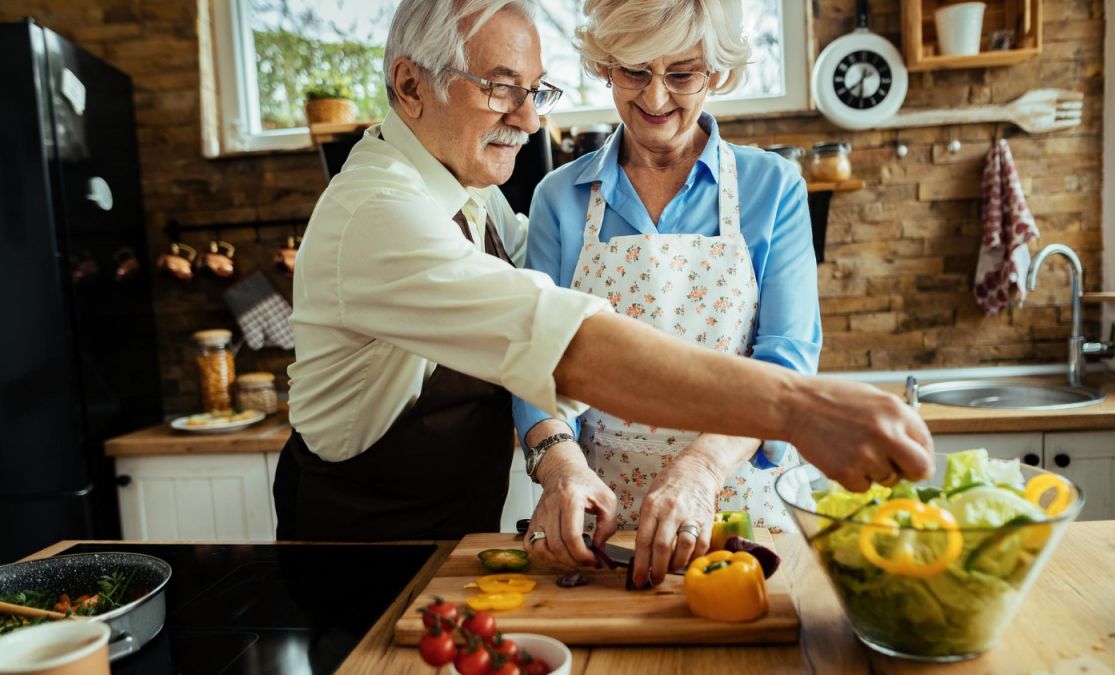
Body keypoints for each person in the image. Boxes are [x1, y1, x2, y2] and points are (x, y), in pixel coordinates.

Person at [274, 0, 933, 583]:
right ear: (410, 85)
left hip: (464, 545)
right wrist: (799, 409)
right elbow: (557, 343)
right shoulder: (385, 213)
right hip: (364, 560)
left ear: (718, 73)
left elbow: (784, 343)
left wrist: (705, 466)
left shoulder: (473, 195)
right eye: (502, 89)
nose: (531, 122)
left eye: (534, 91)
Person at [513, 0, 819, 585]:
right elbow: (534, 364)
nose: (654, 99)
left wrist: (699, 471)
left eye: (681, 74)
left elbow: (789, 363)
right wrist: (560, 470)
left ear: (718, 72)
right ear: (605, 65)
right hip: (604, 522)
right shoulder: (560, 198)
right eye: (633, 71)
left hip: (738, 510)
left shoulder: (771, 188)